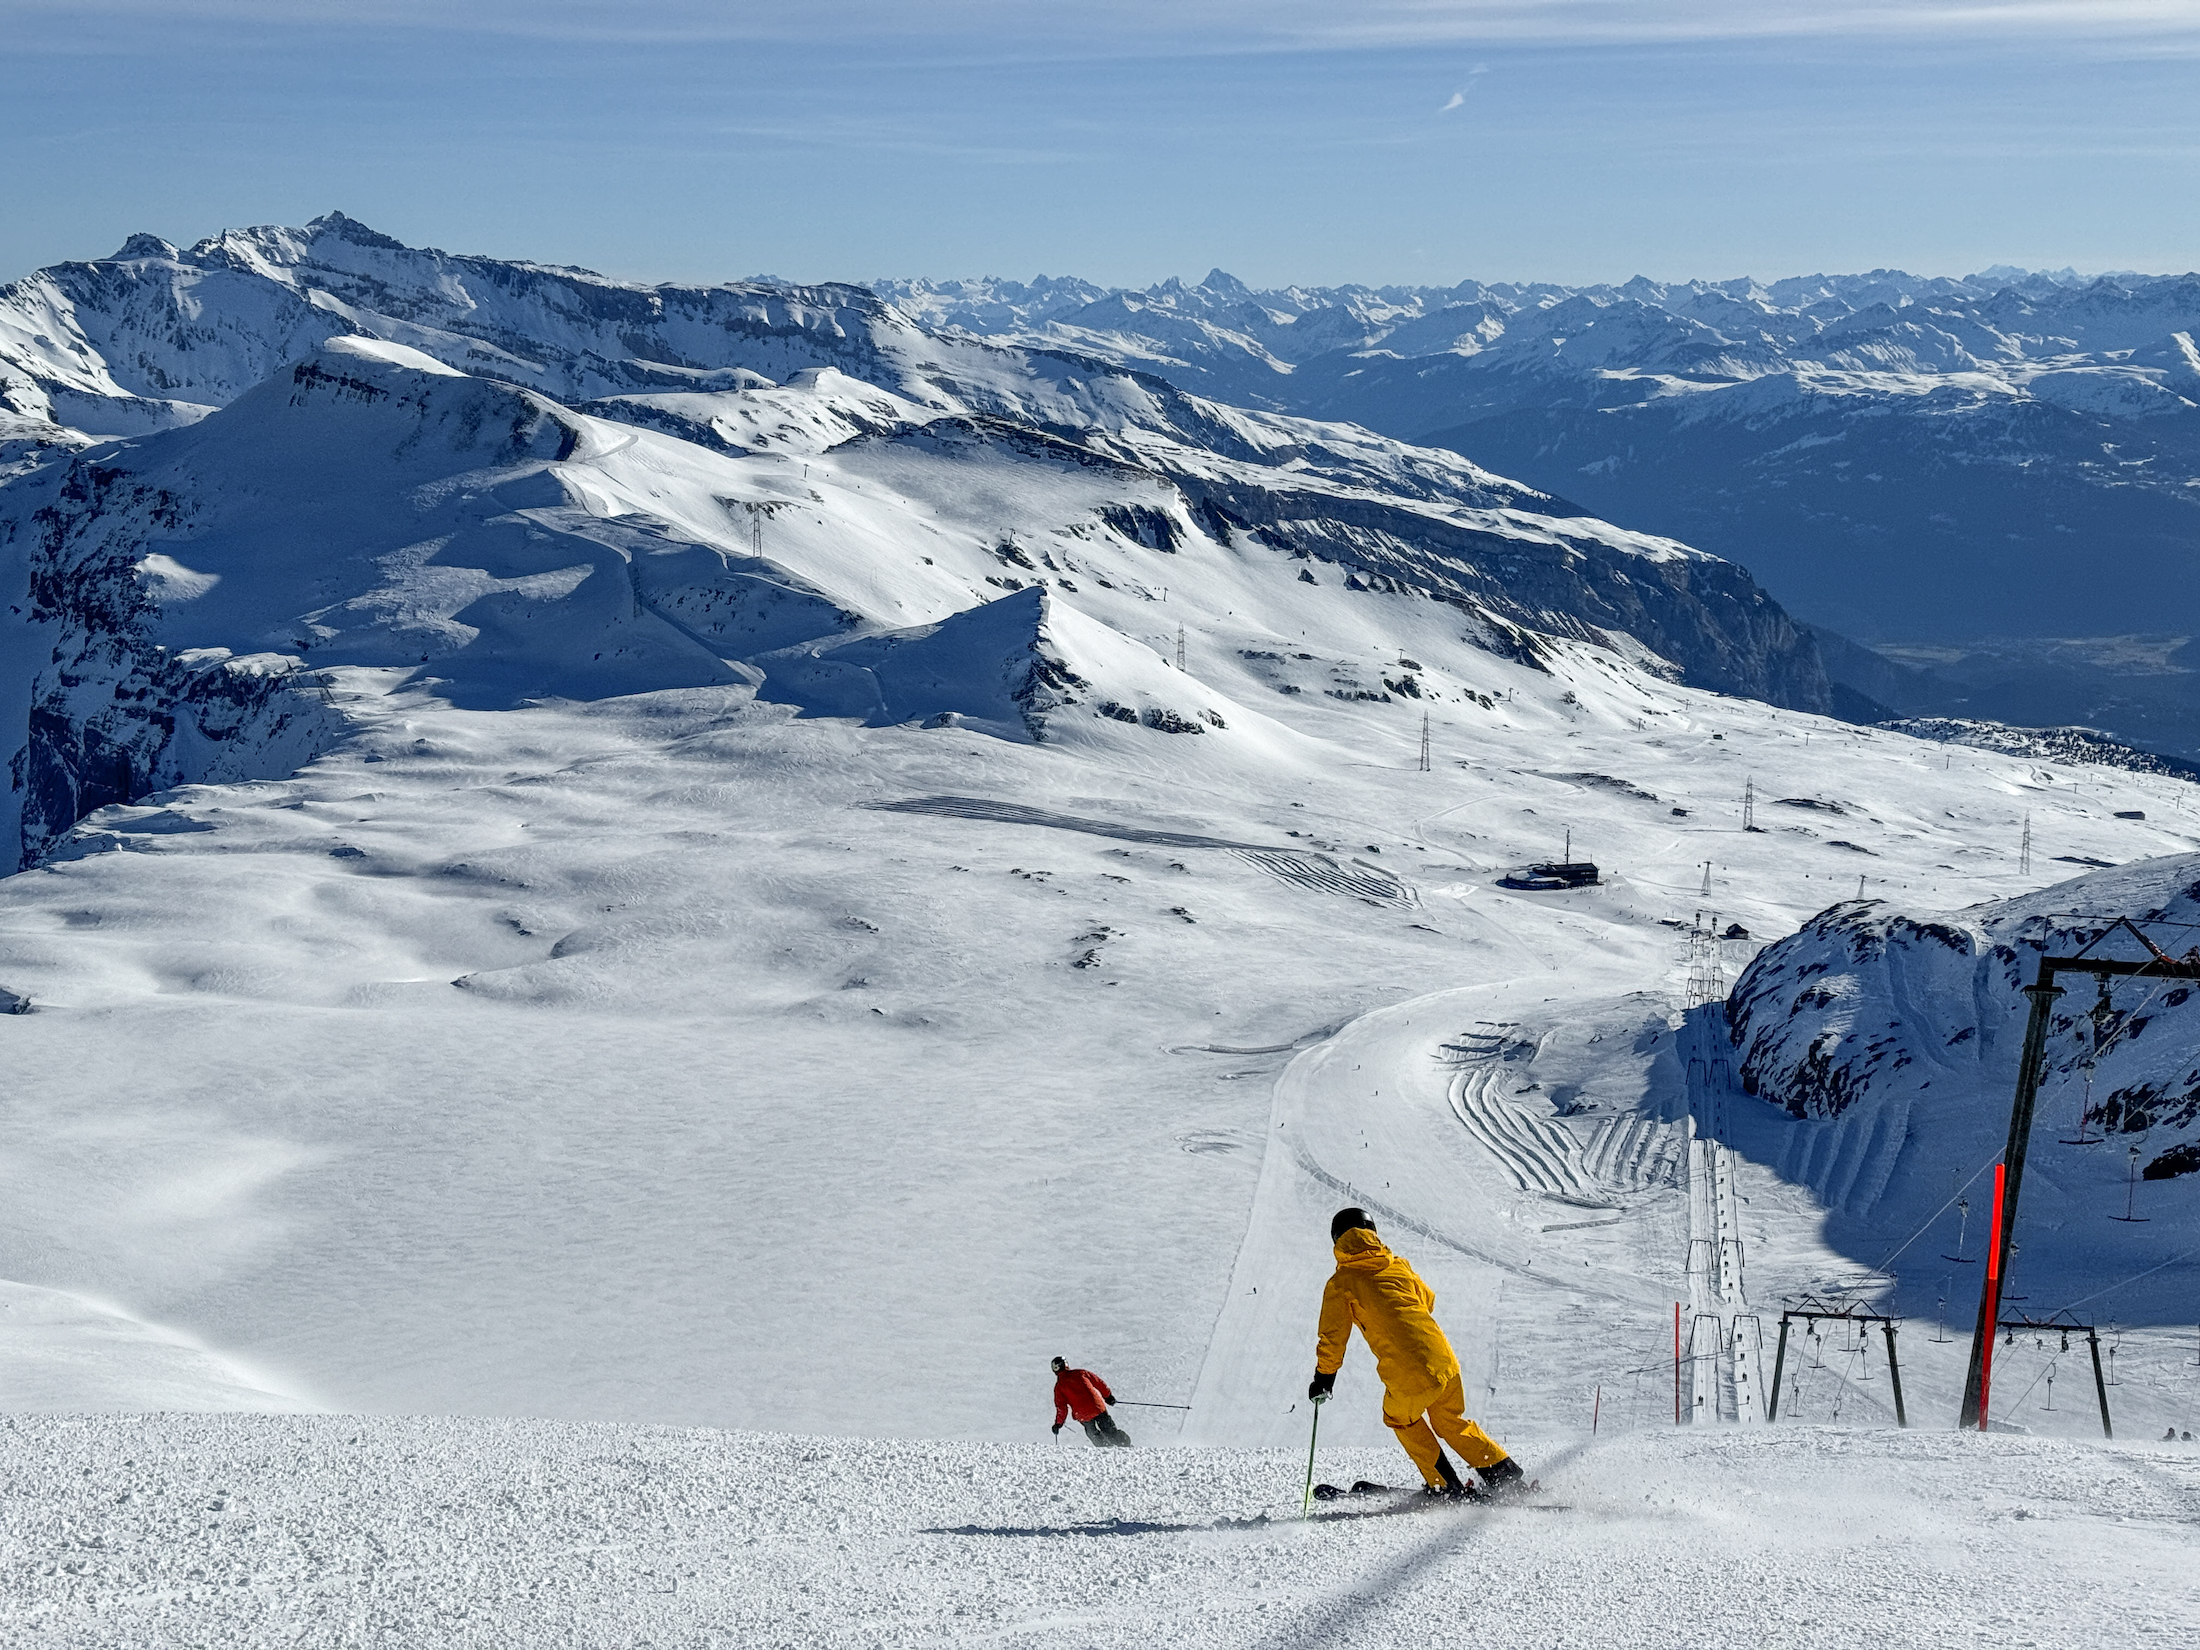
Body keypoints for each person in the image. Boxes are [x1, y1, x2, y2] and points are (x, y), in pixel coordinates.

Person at [1310, 1207, 1527, 1499]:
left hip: (1408, 1372)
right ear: (1373, 1232)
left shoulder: (1342, 1283)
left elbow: (1333, 1337)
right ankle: (1505, 1475)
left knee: (1399, 1417)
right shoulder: (1398, 1265)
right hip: (1444, 1361)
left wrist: (1324, 1378)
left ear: (1337, 1240)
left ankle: (1445, 1485)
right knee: (1450, 1421)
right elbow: (1428, 1299)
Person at [1051, 1356, 1133, 1447]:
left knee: (1093, 1434)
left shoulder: (1059, 1387)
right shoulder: (1081, 1373)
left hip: (1082, 1414)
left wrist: (1058, 1424)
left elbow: (1061, 1408)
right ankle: (1125, 1445)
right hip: (1097, 1408)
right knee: (1110, 1431)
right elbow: (1099, 1383)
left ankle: (1105, 1449)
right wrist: (1108, 1396)